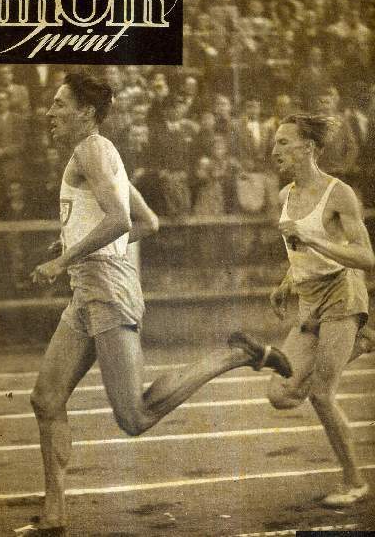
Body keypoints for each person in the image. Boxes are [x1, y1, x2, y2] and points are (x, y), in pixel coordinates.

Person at [19, 73, 292, 536]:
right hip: (91, 285)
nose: (51, 112)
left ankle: (240, 354)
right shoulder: (100, 152)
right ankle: (54, 515)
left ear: (86, 113)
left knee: (134, 416)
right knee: (46, 399)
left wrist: (67, 259)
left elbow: (123, 219)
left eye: (60, 104)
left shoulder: (90, 150)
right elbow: (148, 222)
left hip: (104, 286)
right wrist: (78, 248)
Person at [229, 113, 375, 507]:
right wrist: (287, 282)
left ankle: (355, 482)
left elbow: (366, 257)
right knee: (280, 392)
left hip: (343, 293)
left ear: (309, 147)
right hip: (309, 299)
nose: (275, 150)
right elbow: (298, 254)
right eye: (275, 142)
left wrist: (313, 236)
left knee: (322, 396)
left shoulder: (339, 193)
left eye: (284, 142)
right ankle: (356, 345)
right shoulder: (284, 196)